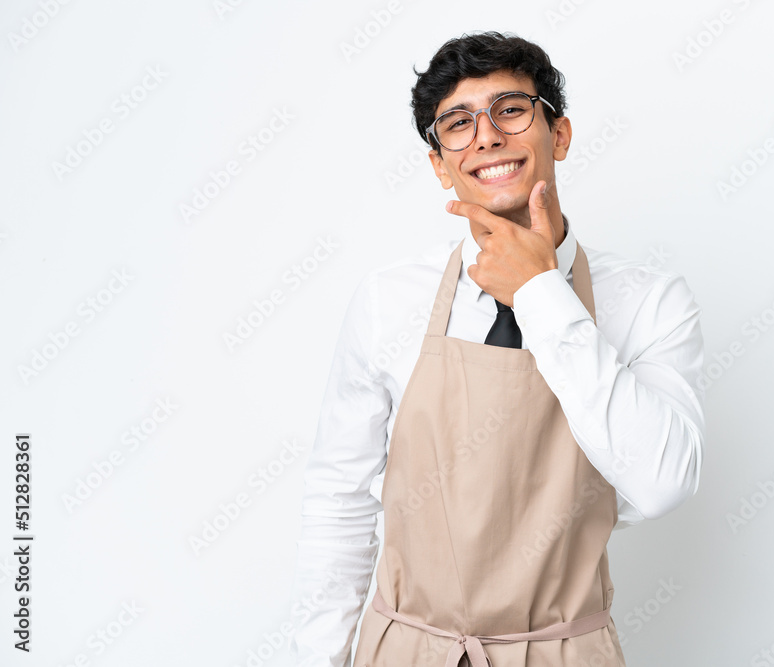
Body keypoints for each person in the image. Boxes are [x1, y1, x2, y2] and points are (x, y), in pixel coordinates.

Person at [290, 31, 705, 667]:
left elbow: (662, 483)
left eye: (510, 109)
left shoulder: (650, 302)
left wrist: (541, 292)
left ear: (559, 134)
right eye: (457, 123)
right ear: (439, 164)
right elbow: (338, 498)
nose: (486, 136)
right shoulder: (388, 300)